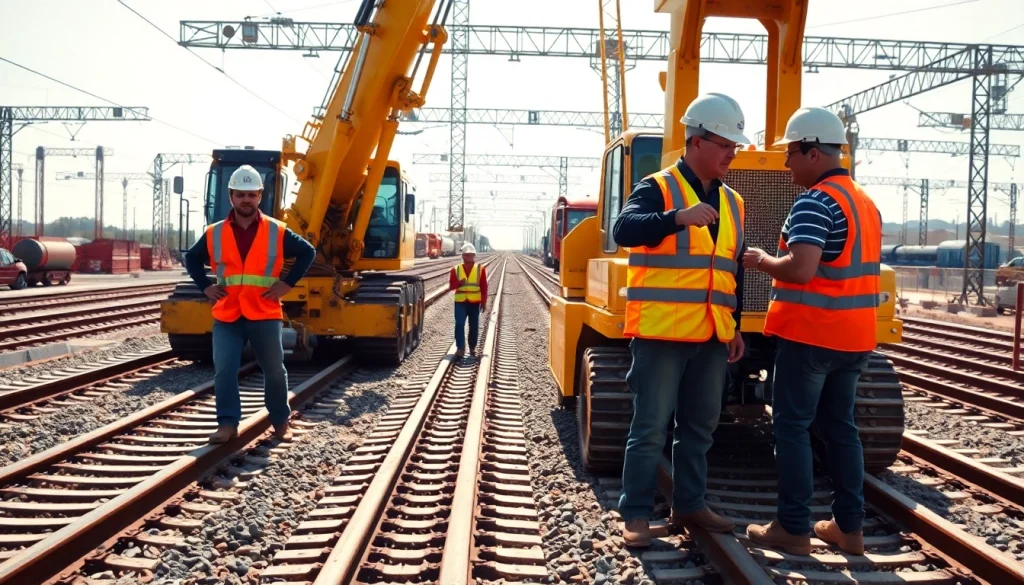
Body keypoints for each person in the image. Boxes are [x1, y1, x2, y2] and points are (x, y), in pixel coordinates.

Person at [742, 106, 882, 556]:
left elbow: (801, 271)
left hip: (811, 336)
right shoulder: (864, 201)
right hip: (855, 337)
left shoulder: (816, 202)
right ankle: (850, 529)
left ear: (813, 152)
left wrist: (762, 261)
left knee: (791, 428)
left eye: (791, 154)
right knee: (841, 429)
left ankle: (793, 527)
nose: (785, 164)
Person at [612, 93, 749, 547]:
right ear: (696, 141)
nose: (732, 151)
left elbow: (733, 269)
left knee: (700, 426)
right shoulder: (659, 187)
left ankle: (690, 504)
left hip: (712, 334)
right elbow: (624, 230)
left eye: (735, 144)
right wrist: (676, 218)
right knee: (650, 426)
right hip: (662, 332)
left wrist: (736, 327)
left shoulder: (734, 202)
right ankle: (634, 513)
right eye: (725, 142)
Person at [184, 165, 317, 444]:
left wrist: (287, 284)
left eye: (252, 195)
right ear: (231, 196)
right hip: (228, 313)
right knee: (224, 369)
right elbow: (192, 259)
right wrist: (205, 286)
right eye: (241, 194)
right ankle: (227, 424)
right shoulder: (214, 232)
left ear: (260, 196)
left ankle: (280, 422)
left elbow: (308, 252)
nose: (246, 200)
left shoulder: (276, 231)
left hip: (263, 312)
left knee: (274, 370)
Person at [449, 242, 487, 357]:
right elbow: (451, 286)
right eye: (466, 255)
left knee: (474, 325)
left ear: (474, 256)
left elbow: (484, 287)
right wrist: (459, 283)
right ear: (463, 256)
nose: (468, 257)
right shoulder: (455, 269)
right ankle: (460, 348)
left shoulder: (480, 269)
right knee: (459, 324)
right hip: (460, 302)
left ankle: (472, 347)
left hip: (474, 303)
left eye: (470, 255)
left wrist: (484, 302)